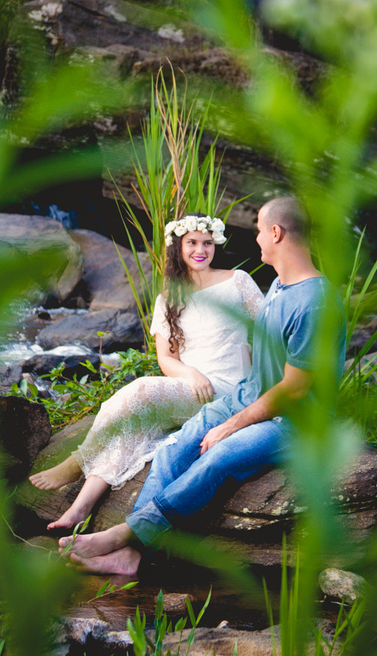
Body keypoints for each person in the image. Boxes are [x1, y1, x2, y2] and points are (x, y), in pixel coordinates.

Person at [59, 196, 345, 575]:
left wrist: (232, 425)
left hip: (295, 419)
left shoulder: (315, 303)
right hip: (249, 397)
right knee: (172, 451)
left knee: (217, 459)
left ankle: (124, 536)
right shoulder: (279, 286)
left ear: (276, 233)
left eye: (259, 230)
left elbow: (293, 390)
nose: (256, 238)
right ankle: (133, 557)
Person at [29, 212, 264, 531]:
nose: (200, 249)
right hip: (193, 387)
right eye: (192, 242)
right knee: (133, 427)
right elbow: (167, 359)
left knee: (139, 392)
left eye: (207, 243)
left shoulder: (237, 281)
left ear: (215, 245)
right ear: (178, 247)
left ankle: (76, 462)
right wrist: (191, 374)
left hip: (231, 393)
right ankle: (79, 509)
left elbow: (268, 332)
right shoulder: (168, 298)